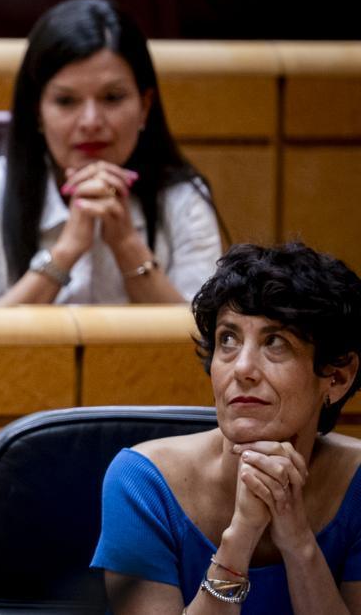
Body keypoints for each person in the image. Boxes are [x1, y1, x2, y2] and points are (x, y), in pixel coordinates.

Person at [92, 242, 361, 613]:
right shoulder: (142, 484)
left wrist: (298, 545)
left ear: (337, 376)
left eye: (276, 342)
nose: (242, 368)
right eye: (228, 340)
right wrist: (241, 537)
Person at [0, 0, 222, 307]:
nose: (91, 122)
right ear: (37, 111)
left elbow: (206, 345)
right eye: (66, 101)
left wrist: (128, 246)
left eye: (112, 98)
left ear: (144, 106)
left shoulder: (185, 200)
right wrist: (65, 253)